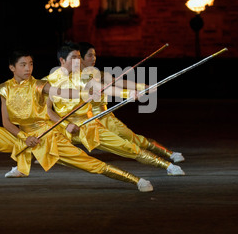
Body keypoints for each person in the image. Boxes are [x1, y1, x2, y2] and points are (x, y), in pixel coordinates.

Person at [0, 50, 154, 194]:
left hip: (47, 138)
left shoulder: (40, 85)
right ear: (12, 67)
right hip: (22, 137)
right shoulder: (4, 89)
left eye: (31, 64)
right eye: (23, 64)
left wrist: (88, 93)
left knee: (91, 164)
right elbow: (7, 124)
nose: (28, 68)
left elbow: (62, 92)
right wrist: (25, 138)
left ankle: (136, 180)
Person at [44, 42, 185, 176]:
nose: (88, 59)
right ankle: (32, 162)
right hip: (67, 126)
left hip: (97, 121)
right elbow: (45, 110)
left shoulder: (88, 76)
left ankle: (168, 160)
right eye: (86, 56)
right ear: (62, 60)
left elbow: (109, 87)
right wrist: (64, 124)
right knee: (43, 137)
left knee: (130, 143)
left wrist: (134, 90)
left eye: (80, 57)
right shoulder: (49, 80)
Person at [78, 42, 185, 163]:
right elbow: (104, 88)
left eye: (95, 55)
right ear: (80, 59)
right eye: (90, 56)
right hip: (86, 121)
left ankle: (168, 154)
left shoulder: (95, 74)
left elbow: (116, 82)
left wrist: (142, 86)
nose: (94, 58)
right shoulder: (76, 78)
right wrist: (128, 94)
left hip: (104, 118)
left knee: (133, 140)